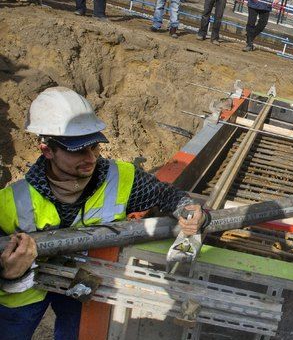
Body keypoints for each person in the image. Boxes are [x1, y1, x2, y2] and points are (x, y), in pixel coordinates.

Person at [0, 87, 208, 339]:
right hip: (24, 288)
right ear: (47, 150)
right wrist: (8, 273)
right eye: (78, 150)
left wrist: (186, 207)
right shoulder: (12, 201)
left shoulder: (120, 178)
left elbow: (164, 195)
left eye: (95, 147)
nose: (91, 158)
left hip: (85, 282)